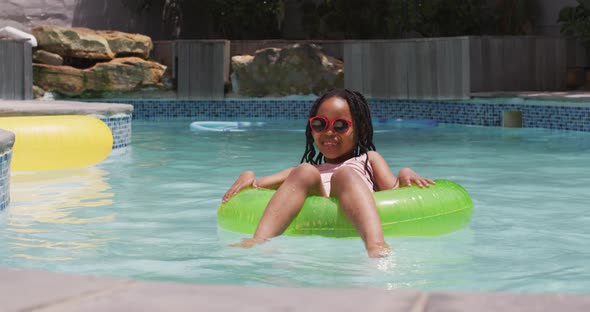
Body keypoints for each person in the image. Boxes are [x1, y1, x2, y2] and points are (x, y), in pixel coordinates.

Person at [222, 88, 435, 257]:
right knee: (304, 170)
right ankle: (259, 240)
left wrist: (405, 172)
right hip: (318, 193)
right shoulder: (309, 170)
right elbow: (258, 185)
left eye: (341, 125)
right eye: (319, 124)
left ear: (358, 128)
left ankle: (376, 245)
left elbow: (394, 191)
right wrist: (247, 174)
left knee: (344, 175)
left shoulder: (369, 160)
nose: (329, 132)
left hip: (351, 193)